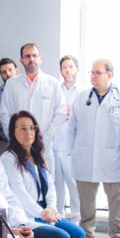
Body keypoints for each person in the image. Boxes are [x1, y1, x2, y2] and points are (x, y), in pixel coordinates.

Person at [2, 109, 86, 238]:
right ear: (13, 132)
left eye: (32, 128)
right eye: (23, 128)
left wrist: (51, 208)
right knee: (63, 237)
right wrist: (42, 213)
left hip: (45, 210)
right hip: (27, 213)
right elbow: (20, 194)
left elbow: (50, 184)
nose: (28, 133)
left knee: (78, 234)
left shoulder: (37, 154)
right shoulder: (9, 158)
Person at [67, 59, 120, 238]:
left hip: (114, 156)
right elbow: (72, 127)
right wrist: (72, 151)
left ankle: (116, 233)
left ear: (109, 75)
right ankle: (87, 230)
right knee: (86, 197)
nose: (93, 76)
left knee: (116, 198)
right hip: (85, 155)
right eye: (91, 72)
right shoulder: (82, 97)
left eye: (97, 73)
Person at [0, 43, 67, 168]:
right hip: (18, 147)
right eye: (27, 56)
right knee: (19, 178)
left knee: (46, 179)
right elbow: (4, 114)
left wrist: (46, 138)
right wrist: (14, 137)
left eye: (34, 55)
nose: (31, 59)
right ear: (21, 60)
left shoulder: (52, 83)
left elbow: (61, 113)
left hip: (44, 148)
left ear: (41, 58)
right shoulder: (11, 84)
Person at [53, 55, 83, 221]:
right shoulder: (56, 90)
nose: (68, 70)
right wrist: (64, 111)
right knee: (57, 185)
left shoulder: (84, 92)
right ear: (61, 71)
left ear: (76, 69)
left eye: (71, 67)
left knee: (74, 185)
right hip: (55, 144)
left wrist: (71, 111)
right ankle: (59, 218)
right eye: (64, 67)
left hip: (73, 147)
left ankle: (77, 219)